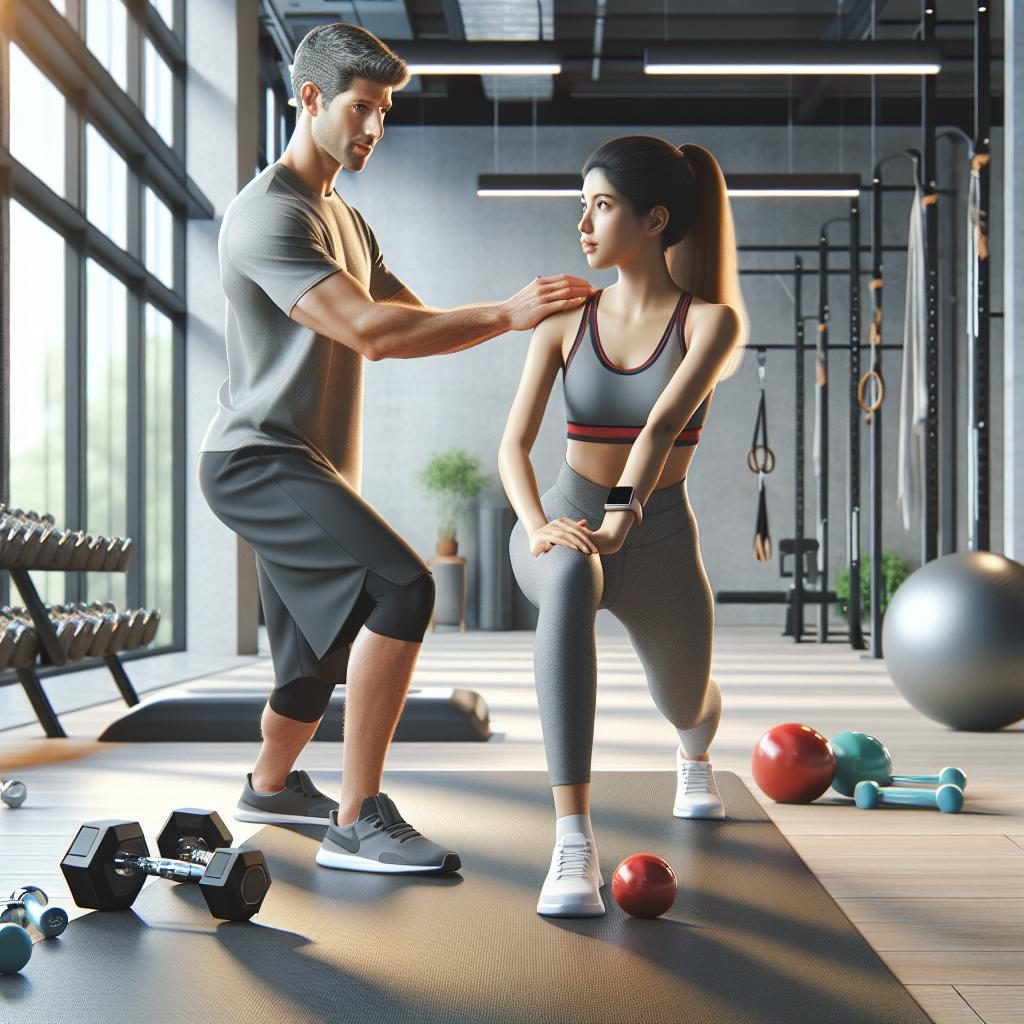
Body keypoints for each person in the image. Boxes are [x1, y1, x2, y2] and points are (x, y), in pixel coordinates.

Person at [198, 22, 593, 875]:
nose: (374, 127)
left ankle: (269, 788)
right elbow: (374, 334)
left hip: (304, 465)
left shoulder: (346, 218)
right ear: (310, 100)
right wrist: (506, 310)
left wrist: (531, 320)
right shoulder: (268, 214)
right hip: (257, 461)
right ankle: (355, 818)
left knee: (313, 659)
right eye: (362, 108)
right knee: (403, 589)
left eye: (385, 112)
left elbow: (416, 321)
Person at [499, 136, 747, 915]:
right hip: (565, 521)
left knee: (687, 700)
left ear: (654, 220)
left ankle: (695, 751)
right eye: (583, 204)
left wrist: (624, 518)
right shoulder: (564, 322)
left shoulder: (712, 323)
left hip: (658, 533)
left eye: (601, 205)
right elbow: (511, 445)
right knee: (570, 574)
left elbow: (662, 425)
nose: (583, 222)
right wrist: (540, 525)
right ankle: (573, 840)